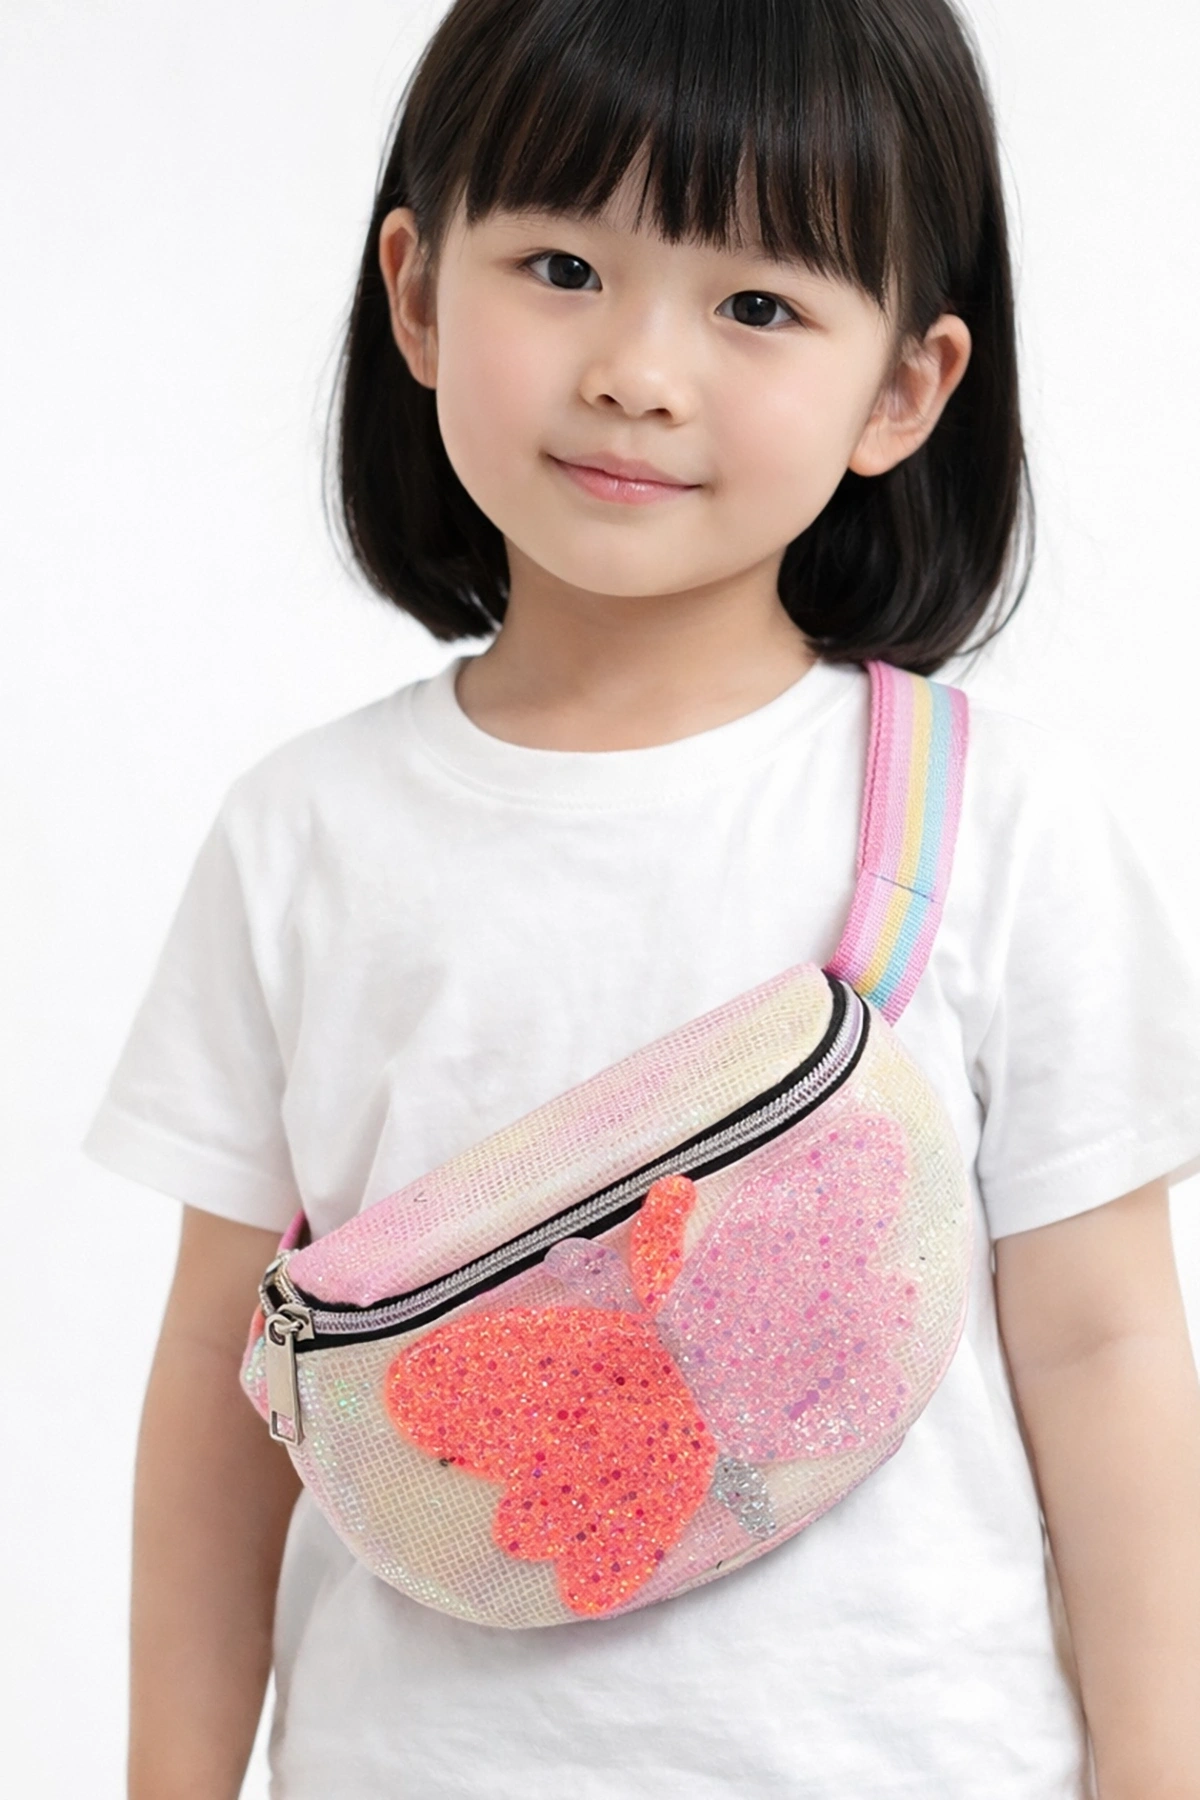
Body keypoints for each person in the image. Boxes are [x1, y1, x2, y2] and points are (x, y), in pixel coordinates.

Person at [83, 0, 1200, 1795]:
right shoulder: (304, 837)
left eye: (756, 303)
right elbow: (227, 1372)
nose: (639, 371)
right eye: (560, 267)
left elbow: (1107, 1345)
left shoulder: (996, 823)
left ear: (903, 390)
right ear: (416, 293)